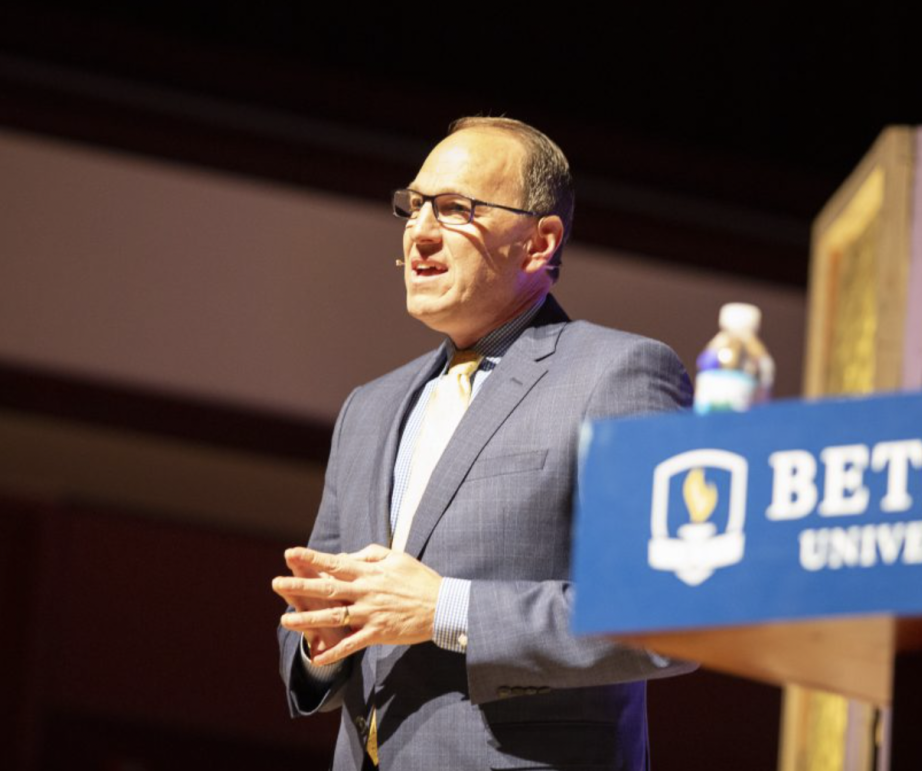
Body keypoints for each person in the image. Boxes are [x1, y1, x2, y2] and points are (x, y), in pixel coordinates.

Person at [273, 116, 695, 770]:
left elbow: (667, 617)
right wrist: (321, 641)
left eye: (454, 208)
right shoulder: (369, 408)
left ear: (538, 241)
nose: (420, 231)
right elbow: (320, 634)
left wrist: (445, 607)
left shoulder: (616, 373)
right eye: (413, 207)